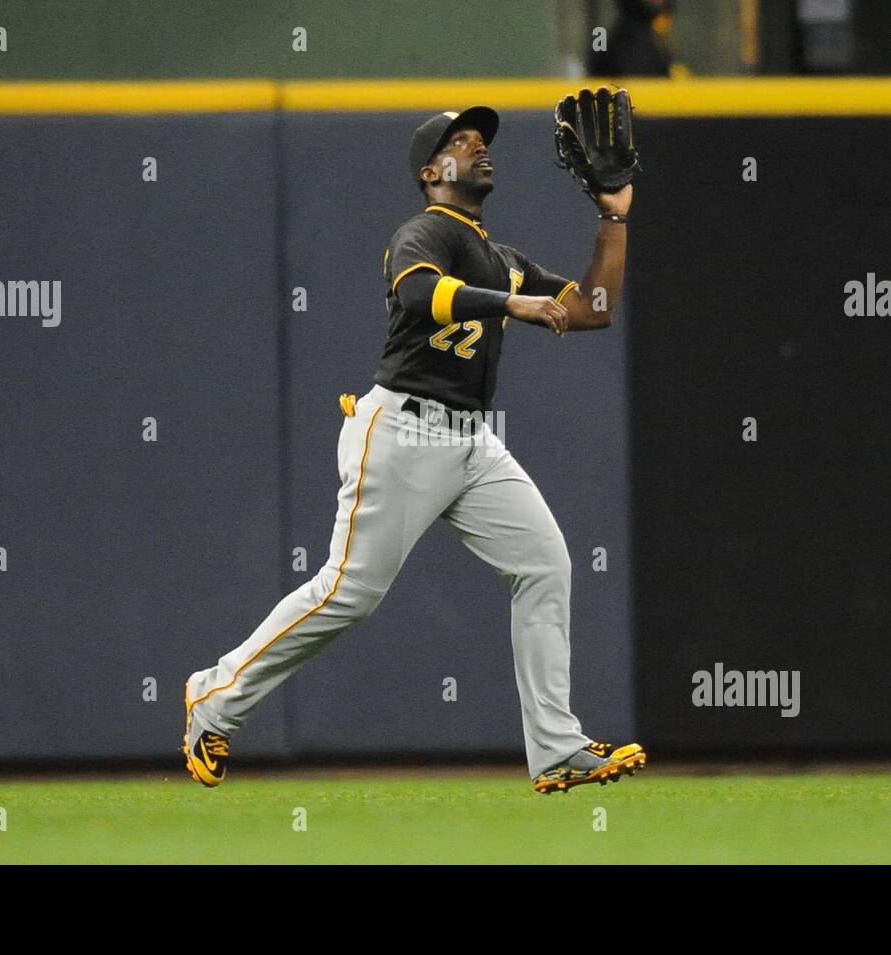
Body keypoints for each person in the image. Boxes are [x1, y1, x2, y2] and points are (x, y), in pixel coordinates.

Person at [183, 105, 645, 794]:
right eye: (462, 141)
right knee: (347, 593)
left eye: (483, 140)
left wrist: (614, 217)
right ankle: (214, 695)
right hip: (402, 429)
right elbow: (420, 291)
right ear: (432, 171)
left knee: (545, 563)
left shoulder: (501, 258)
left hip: (470, 442)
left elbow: (594, 307)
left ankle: (556, 747)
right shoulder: (424, 230)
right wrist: (509, 304)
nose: (479, 148)